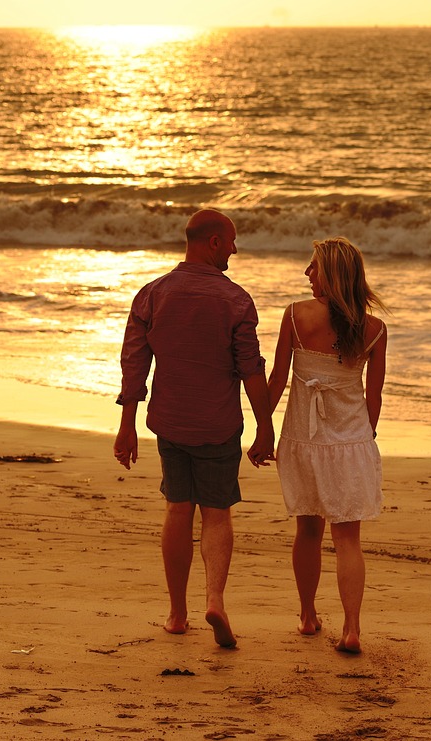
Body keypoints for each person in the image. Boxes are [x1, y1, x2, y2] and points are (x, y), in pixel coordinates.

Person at [114, 208, 275, 648]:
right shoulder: (236, 301)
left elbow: (134, 363)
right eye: (233, 240)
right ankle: (216, 600)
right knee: (217, 514)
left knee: (177, 509)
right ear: (214, 243)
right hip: (218, 425)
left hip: (170, 422)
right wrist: (266, 427)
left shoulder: (152, 294)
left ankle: (177, 614)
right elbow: (251, 370)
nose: (237, 249)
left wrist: (126, 424)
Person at [266, 236, 387, 654]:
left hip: (304, 437)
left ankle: (307, 615)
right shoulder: (374, 329)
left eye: (313, 266)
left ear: (331, 273)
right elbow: (374, 400)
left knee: (308, 528)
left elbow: (278, 381)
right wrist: (362, 438)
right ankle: (351, 627)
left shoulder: (297, 317)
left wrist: (263, 428)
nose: (307, 273)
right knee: (348, 539)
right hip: (351, 442)